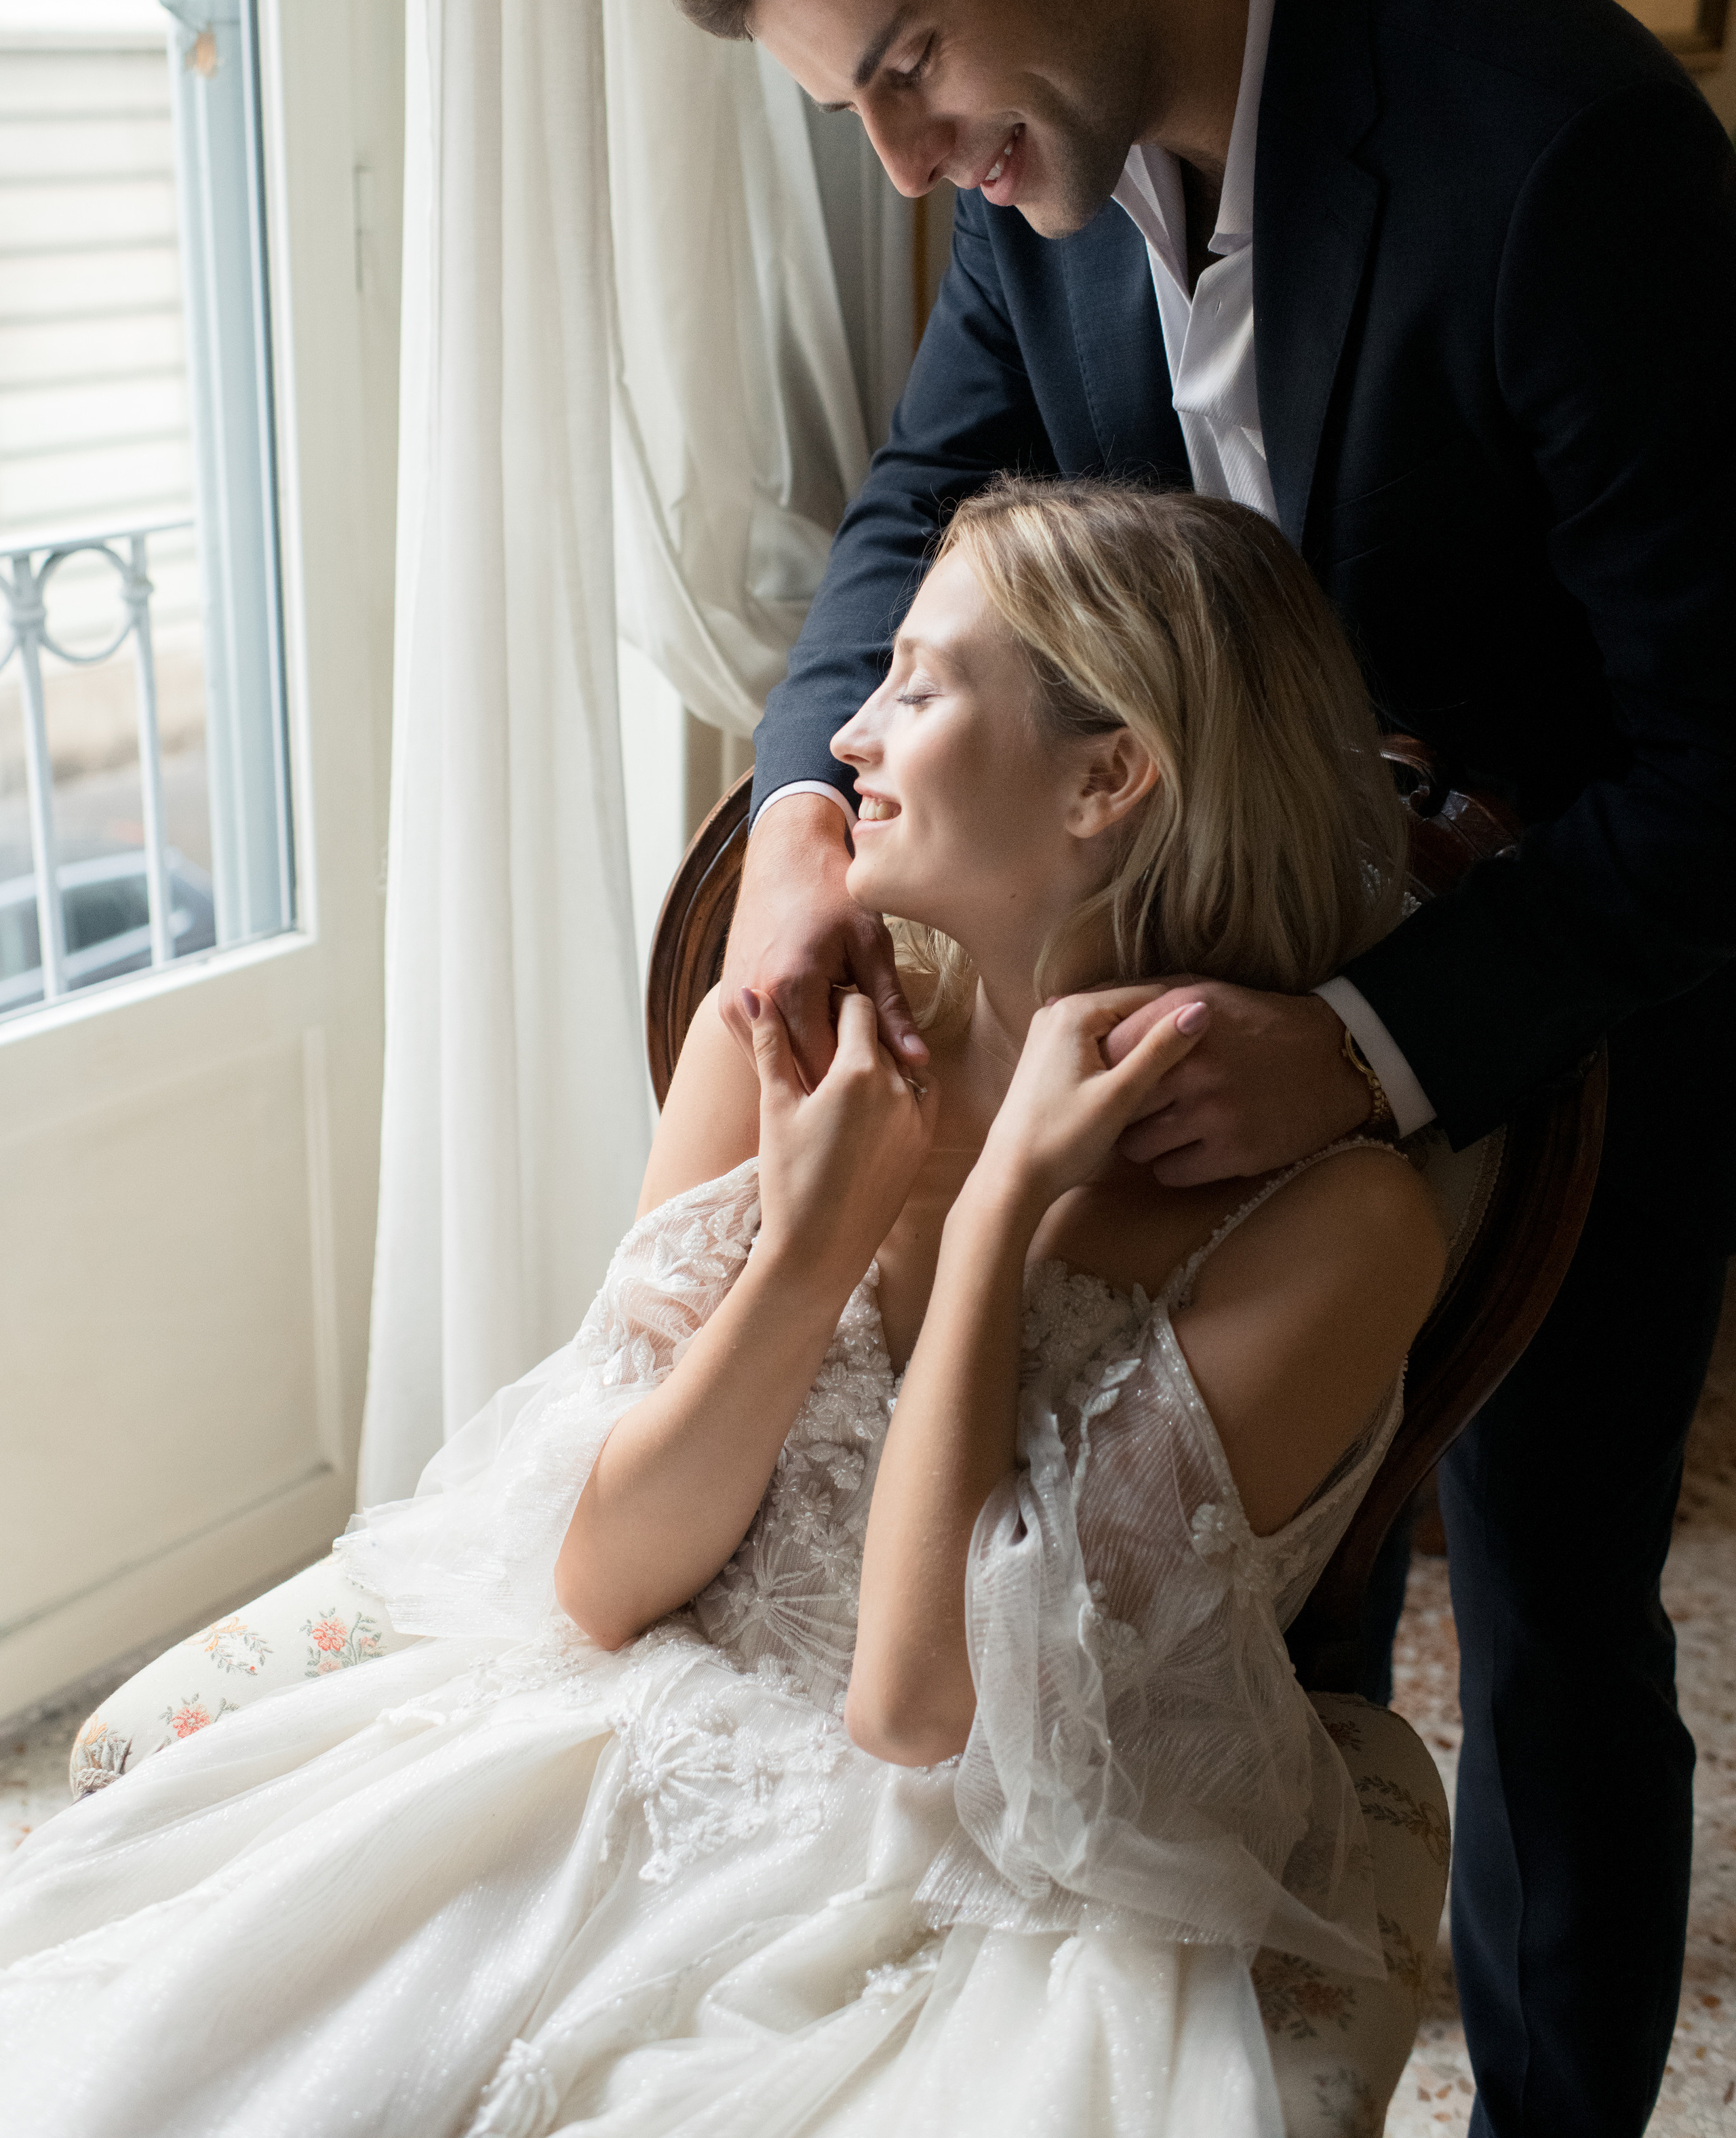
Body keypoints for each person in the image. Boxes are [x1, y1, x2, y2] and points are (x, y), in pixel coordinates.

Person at [654, 0, 1736, 2138]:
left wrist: (1374, 1047)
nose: (910, 155)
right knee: (1235, 1627)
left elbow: (1723, 762)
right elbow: (919, 506)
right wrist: (805, 814)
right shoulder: (1035, 180)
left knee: (1558, 1618)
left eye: (906, 62)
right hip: (1190, 1003)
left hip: (1564, 995)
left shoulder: (1553, 146)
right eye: (856, 106)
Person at [0, 482, 1448, 2138]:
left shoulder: (1334, 1226)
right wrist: (810, 1247)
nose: (846, 735)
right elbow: (604, 1579)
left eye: (918, 682)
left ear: (1108, 776)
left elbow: (918, 1711)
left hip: (976, 1889)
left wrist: (986, 1220)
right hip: (615, 1751)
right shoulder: (795, 1035)